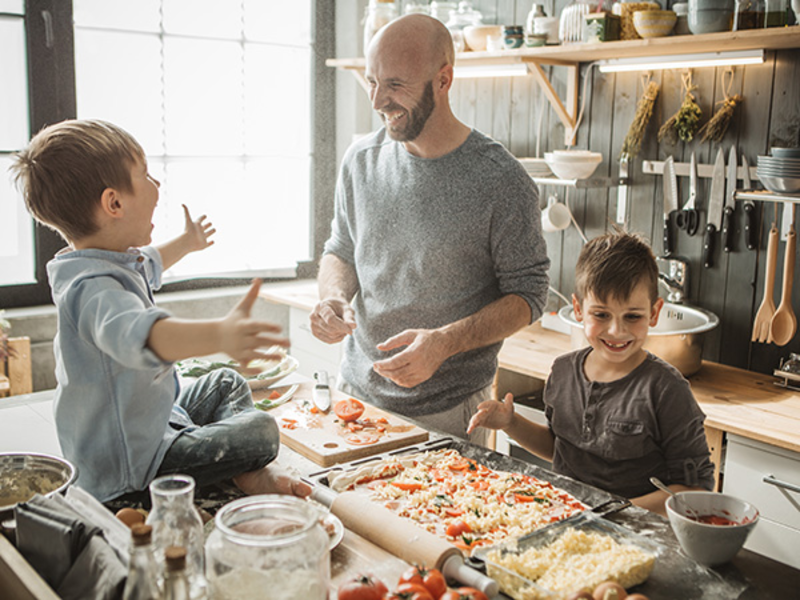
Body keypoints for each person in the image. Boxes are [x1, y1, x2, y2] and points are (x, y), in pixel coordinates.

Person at [11, 119, 311, 502]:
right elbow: (143, 334)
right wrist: (219, 334)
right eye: (146, 175)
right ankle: (244, 469)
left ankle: (234, 466)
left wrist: (186, 243)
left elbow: (148, 261)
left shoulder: (108, 260)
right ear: (114, 203)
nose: (157, 185)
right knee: (261, 432)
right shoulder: (93, 290)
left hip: (154, 422)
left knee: (225, 381)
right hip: (133, 466)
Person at [310, 14, 550, 445]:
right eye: (372, 82)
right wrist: (332, 297)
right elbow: (340, 249)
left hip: (451, 416)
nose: (379, 100)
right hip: (357, 398)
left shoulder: (501, 180)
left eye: (396, 85)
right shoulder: (360, 161)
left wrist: (443, 342)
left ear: (443, 80)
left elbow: (529, 295)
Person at [468, 231, 715, 515]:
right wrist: (511, 423)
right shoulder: (562, 372)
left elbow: (695, 490)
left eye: (632, 316)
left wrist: (609, 512)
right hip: (568, 522)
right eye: (601, 314)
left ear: (655, 312)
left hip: (637, 537)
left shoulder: (667, 390)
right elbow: (560, 448)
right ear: (578, 309)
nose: (616, 330)